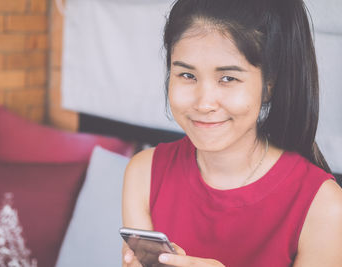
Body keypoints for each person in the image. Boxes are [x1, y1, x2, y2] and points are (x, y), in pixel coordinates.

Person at [122, 0, 342, 266]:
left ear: (269, 86)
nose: (203, 103)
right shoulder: (143, 173)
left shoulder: (324, 206)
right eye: (187, 75)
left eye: (228, 78)